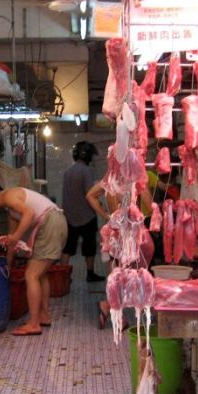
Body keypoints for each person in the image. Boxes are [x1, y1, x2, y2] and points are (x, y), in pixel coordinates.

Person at [0, 179, 68, 336]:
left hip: (50, 223)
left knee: (31, 275)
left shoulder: (8, 196)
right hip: (56, 221)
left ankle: (33, 324)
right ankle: (43, 316)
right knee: (40, 274)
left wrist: (15, 237)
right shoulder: (11, 210)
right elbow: (12, 241)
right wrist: (8, 264)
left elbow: (30, 213)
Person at [86, 181, 154, 329]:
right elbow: (150, 205)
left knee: (119, 270)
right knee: (126, 270)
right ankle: (110, 306)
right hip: (129, 230)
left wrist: (106, 216)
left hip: (117, 229)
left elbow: (90, 195)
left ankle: (112, 308)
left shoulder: (110, 179)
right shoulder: (134, 180)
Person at [60, 141, 105, 282]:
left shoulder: (68, 171)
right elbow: (90, 193)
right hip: (87, 216)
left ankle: (62, 276)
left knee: (68, 247)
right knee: (89, 248)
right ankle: (90, 274)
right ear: (88, 155)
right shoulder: (87, 171)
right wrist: (101, 206)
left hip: (69, 216)